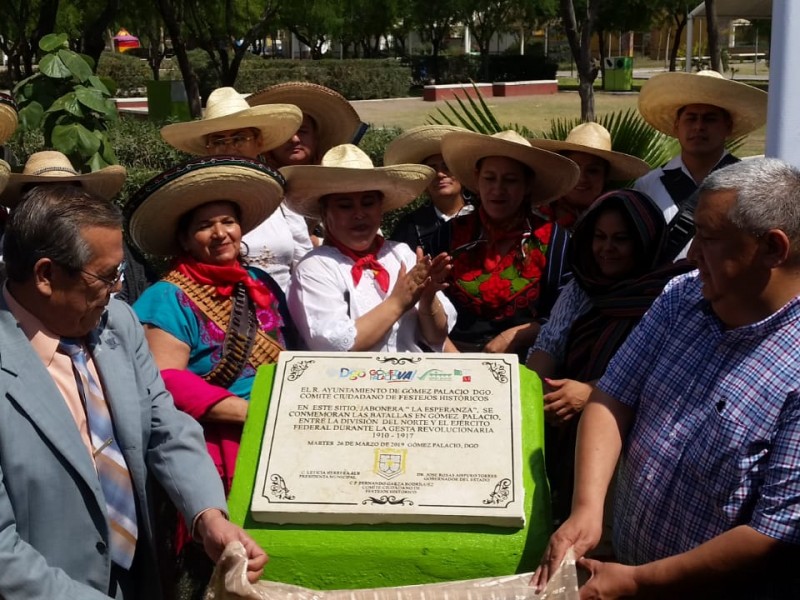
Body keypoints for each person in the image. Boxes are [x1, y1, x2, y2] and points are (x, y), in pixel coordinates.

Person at [534, 158, 800, 599]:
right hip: (631, 565)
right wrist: (586, 509)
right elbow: (611, 397)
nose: (692, 254)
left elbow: (771, 530)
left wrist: (640, 581)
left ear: (772, 249)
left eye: (709, 240)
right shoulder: (682, 297)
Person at [0, 183, 266, 599]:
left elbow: (164, 425)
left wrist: (208, 515)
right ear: (46, 276)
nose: (118, 288)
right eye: (106, 276)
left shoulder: (117, 324)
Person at [128, 156, 299, 495]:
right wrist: (249, 412)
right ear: (186, 239)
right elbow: (165, 380)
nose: (220, 233)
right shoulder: (167, 298)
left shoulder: (259, 282)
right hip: (218, 442)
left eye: (228, 221)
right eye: (205, 226)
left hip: (284, 428)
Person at [526, 189, 693, 525]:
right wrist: (537, 393)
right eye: (599, 237)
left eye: (621, 239)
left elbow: (666, 371)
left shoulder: (671, 293)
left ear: (644, 241)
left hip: (631, 438)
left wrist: (591, 392)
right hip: (562, 428)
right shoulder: (581, 286)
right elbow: (549, 344)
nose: (606, 249)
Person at [283, 144, 457, 352]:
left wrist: (428, 300)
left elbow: (437, 336)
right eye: (345, 206)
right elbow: (335, 346)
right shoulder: (315, 268)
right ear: (325, 212)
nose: (359, 214)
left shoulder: (400, 254)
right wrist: (398, 302)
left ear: (380, 207)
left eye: (367, 203)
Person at [434, 129, 579, 356]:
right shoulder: (447, 236)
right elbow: (429, 302)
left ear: (527, 185)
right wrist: (456, 360)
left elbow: (565, 312)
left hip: (527, 363)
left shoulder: (556, 242)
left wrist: (514, 335)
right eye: (489, 178)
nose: (498, 189)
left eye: (510, 180)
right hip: (454, 362)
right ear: (476, 179)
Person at [160, 86, 309, 293]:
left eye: (239, 138)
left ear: (259, 142)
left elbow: (304, 268)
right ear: (208, 149)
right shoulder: (196, 201)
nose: (230, 148)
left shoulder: (281, 198)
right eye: (219, 141)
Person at [634, 70, 768, 259]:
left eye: (709, 119)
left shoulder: (752, 185)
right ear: (676, 125)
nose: (699, 126)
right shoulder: (648, 186)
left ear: (728, 126)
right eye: (691, 118)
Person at [246, 81, 365, 247]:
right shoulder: (260, 193)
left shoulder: (339, 184)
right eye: (286, 133)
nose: (294, 139)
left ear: (316, 137)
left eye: (302, 131)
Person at [530, 122, 650, 229]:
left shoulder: (622, 222)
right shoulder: (533, 217)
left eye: (592, 171)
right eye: (575, 168)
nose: (582, 178)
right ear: (564, 171)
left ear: (605, 177)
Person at [384, 124, 474, 256]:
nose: (440, 174)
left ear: (461, 173)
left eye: (447, 167)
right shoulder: (410, 227)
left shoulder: (484, 215)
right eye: (432, 170)